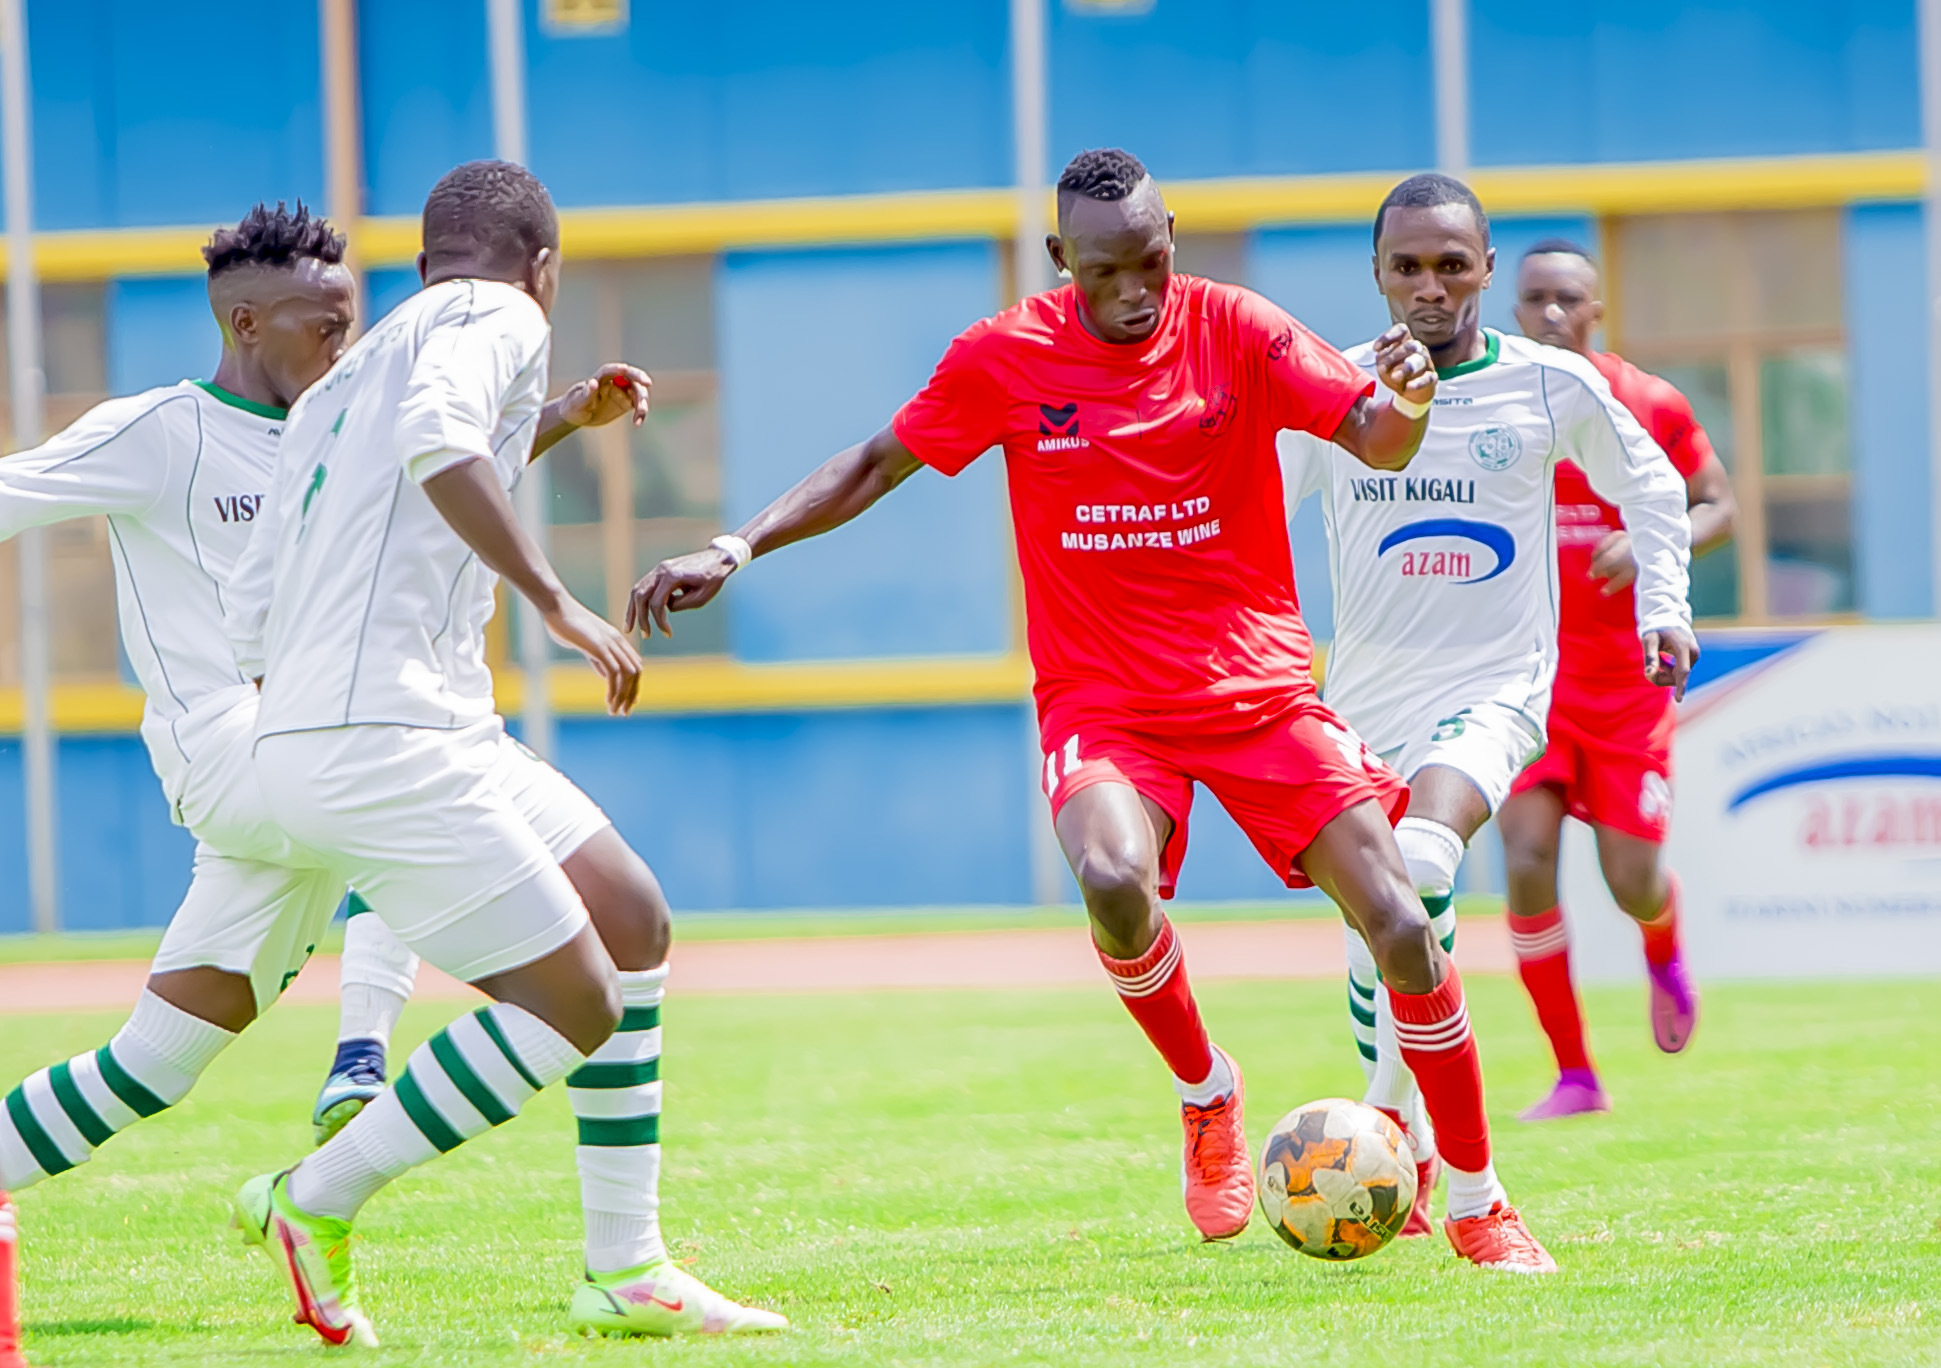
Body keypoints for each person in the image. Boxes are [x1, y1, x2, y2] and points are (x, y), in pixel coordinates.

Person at [631, 147, 1556, 1273]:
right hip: (1105, 701)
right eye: (1105, 270)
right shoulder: (1006, 356)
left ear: (1173, 245)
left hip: (1258, 690)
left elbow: (1377, 438)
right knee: (1115, 881)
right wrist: (735, 546)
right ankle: (1206, 1093)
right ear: (1061, 259)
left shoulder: (1238, 328)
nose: (1134, 293)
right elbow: (875, 465)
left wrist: (1408, 401)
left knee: (1402, 924)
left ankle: (1478, 1200)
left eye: (1150, 264)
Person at [222, 161, 784, 1345]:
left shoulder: (352, 367)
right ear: (545, 268)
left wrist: (559, 418)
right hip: (385, 736)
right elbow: (441, 442)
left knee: (630, 918)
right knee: (575, 999)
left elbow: (260, 601)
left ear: (423, 264)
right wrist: (558, 603)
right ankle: (315, 1197)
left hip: (376, 728)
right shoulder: (504, 314)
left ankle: (625, 1268)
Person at [1280, 176, 1698, 1231]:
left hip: (1497, 685)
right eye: (1407, 267)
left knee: (1422, 863)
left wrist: (1664, 605)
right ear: (1377, 275)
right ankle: (1405, 1134)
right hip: (1360, 700)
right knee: (1371, 928)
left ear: (1485, 270)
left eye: (1451, 265)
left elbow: (1654, 487)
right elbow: (1250, 515)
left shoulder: (1549, 385)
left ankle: (1389, 1124)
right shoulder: (1332, 389)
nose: (1430, 287)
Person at [1500, 239, 1735, 1119]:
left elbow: (1717, 506)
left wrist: (1650, 539)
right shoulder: (1491, 409)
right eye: (1535, 298)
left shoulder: (1646, 403)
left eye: (1568, 298)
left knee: (1628, 878)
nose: (1551, 313)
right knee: (1524, 857)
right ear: (1513, 308)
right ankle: (1574, 1074)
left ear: (1596, 308)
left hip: (1626, 685)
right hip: (1526, 683)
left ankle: (1661, 946)